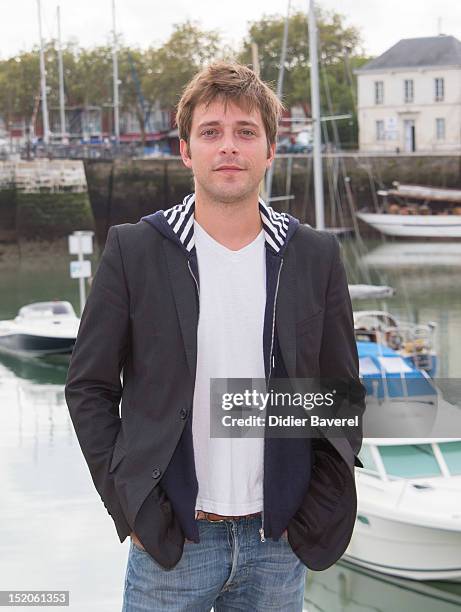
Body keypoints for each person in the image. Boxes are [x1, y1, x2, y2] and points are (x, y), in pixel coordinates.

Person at [65, 61, 365, 611]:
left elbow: (339, 392)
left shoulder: (314, 256)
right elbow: (90, 388)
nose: (229, 147)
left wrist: (312, 508)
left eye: (246, 132)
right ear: (186, 151)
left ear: (270, 151)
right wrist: (130, 505)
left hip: (277, 545)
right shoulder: (136, 250)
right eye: (211, 132)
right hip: (174, 541)